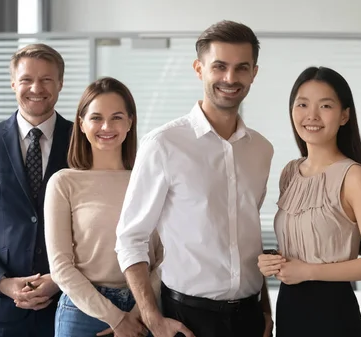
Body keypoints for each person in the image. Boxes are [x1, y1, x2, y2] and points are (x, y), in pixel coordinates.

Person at [115, 20, 274, 337]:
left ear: (254, 72)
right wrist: (152, 318)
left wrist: (265, 309)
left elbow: (247, 234)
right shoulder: (163, 145)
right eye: (219, 66)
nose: (230, 78)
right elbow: (130, 239)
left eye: (241, 68)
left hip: (250, 317)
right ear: (199, 69)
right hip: (186, 319)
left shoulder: (261, 149)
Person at [256, 66, 361, 337]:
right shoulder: (290, 172)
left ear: (344, 115)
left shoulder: (354, 176)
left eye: (325, 106)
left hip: (332, 314)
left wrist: (307, 271)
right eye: (302, 104)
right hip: (288, 309)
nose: (311, 115)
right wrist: (272, 261)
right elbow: (304, 241)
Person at [44, 77, 163, 337]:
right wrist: (116, 319)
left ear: (130, 122)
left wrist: (139, 311)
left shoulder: (152, 180)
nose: (106, 126)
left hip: (145, 310)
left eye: (117, 117)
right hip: (83, 313)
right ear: (82, 124)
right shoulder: (64, 183)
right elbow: (61, 267)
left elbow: (166, 257)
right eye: (96, 117)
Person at [0, 43, 72, 337]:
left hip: (70, 302)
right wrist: (3, 282)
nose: (36, 87)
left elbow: (94, 230)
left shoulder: (81, 141)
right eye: (27, 79)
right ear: (13, 83)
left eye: (46, 79)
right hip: (3, 308)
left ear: (60, 83)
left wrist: (58, 278)